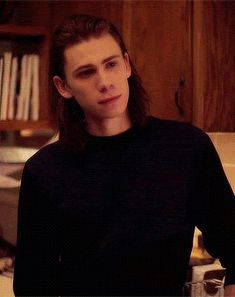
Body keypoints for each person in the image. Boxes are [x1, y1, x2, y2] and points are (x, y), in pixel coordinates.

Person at [13, 14, 235, 296]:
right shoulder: (45, 171)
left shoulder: (186, 149)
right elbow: (32, 286)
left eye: (111, 64)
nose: (104, 82)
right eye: (86, 72)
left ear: (127, 65)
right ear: (63, 87)